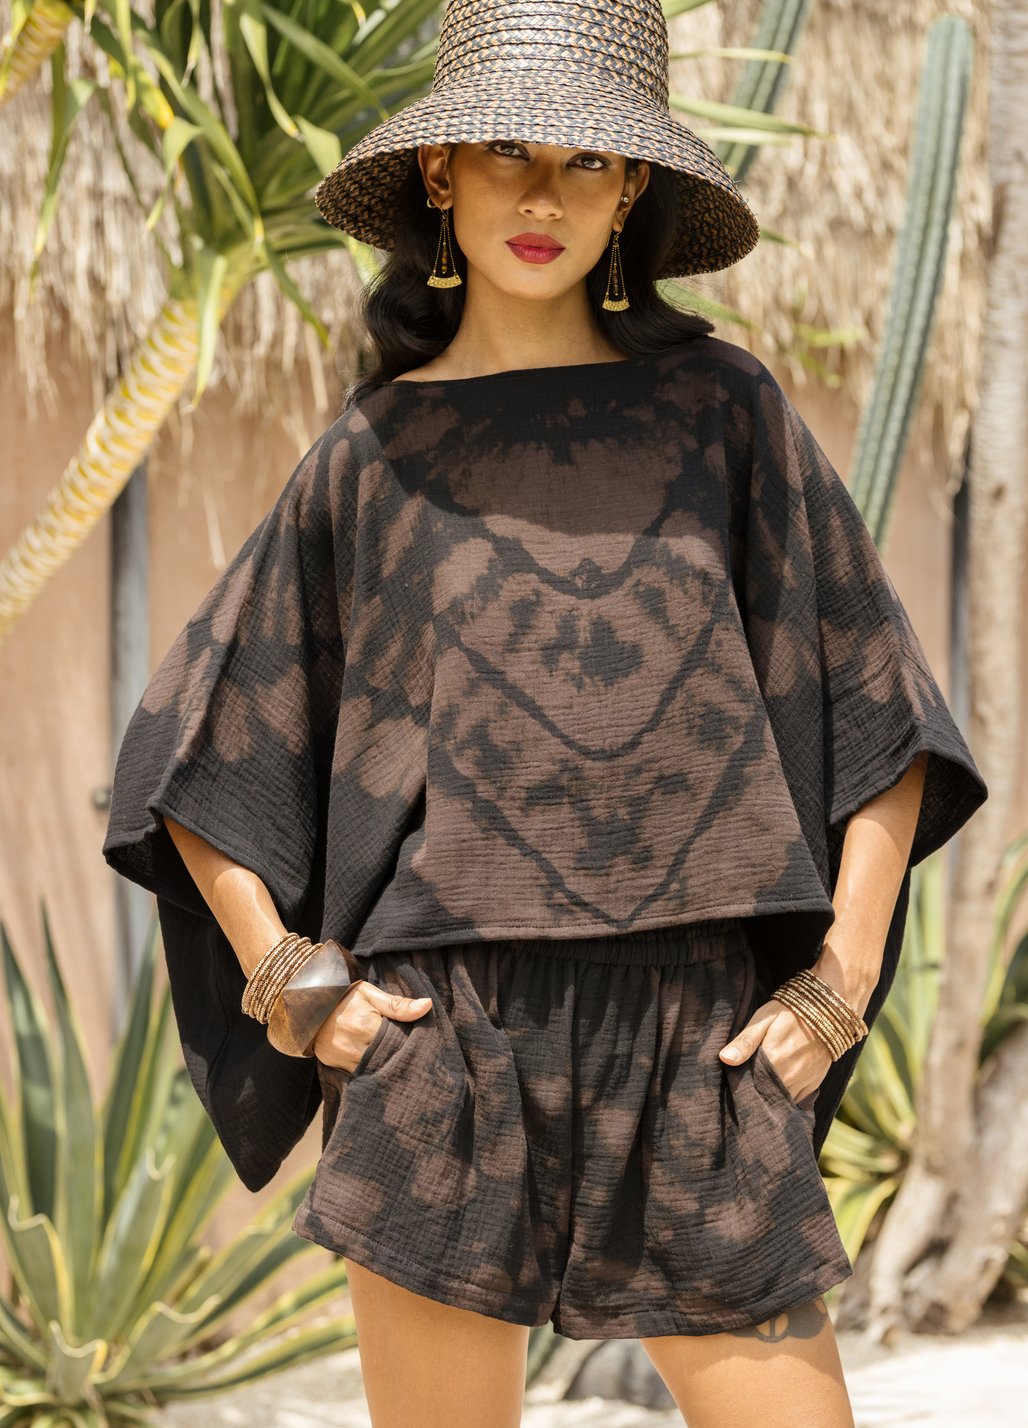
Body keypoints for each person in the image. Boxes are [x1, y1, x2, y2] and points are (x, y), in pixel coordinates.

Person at [102, 1, 988, 1425]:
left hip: (700, 1045)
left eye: (587, 162)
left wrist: (841, 982)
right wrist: (288, 986)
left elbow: (881, 707)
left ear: (631, 190)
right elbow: (198, 751)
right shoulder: (371, 457)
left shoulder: (726, 413)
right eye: (507, 152)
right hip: (439, 1049)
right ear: (440, 170)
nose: (543, 197)